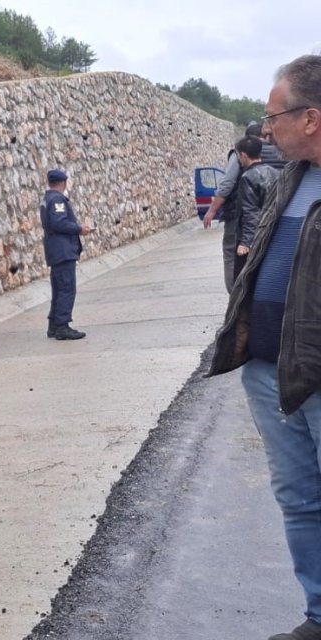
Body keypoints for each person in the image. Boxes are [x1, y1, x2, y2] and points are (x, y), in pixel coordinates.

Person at [207, 54, 321, 640]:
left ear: (311, 118)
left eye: (274, 115)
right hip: (267, 371)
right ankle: (319, 614)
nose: (265, 127)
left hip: (318, 374)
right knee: (299, 497)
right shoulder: (289, 178)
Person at [204, 122, 288, 292]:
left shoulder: (246, 171)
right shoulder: (282, 152)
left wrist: (212, 210)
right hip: (276, 217)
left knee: (232, 256)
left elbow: (229, 186)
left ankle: (236, 297)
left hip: (242, 220)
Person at [40, 169, 92, 340]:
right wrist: (79, 229)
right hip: (63, 251)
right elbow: (59, 222)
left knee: (58, 289)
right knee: (67, 288)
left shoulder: (47, 199)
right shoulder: (57, 200)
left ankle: (54, 325)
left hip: (55, 250)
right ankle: (62, 326)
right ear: (63, 183)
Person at [229, 135, 281, 284]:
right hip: (273, 234)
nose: (239, 159)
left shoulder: (247, 177)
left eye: (238, 155)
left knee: (243, 283)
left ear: (243, 155)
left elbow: (250, 212)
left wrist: (246, 242)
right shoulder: (276, 173)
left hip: (255, 238)